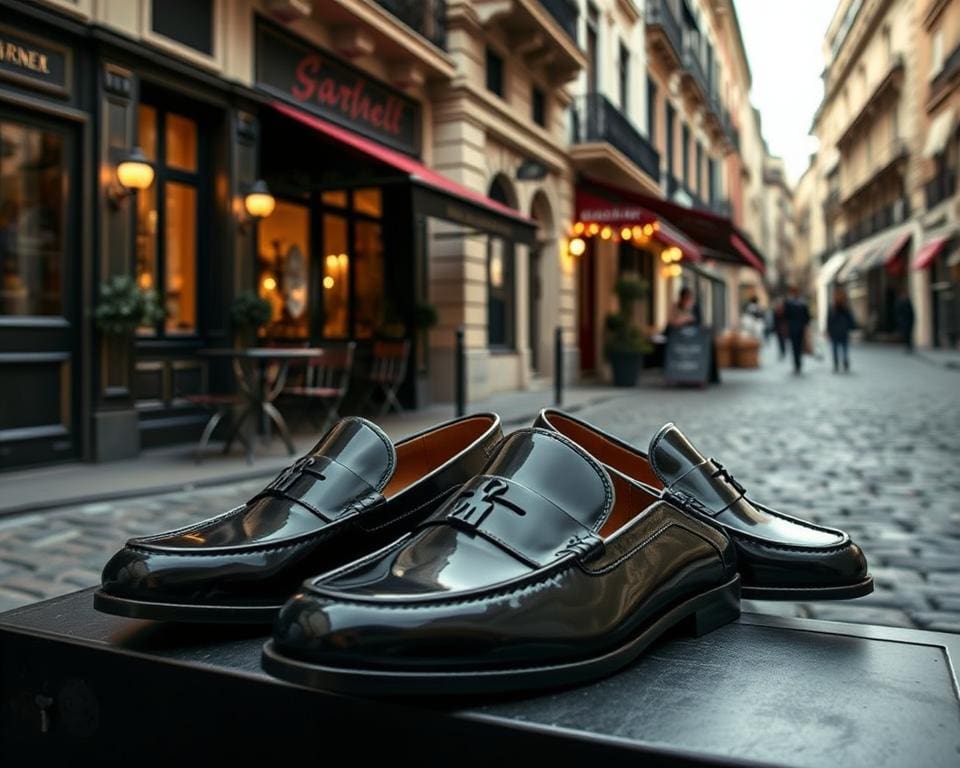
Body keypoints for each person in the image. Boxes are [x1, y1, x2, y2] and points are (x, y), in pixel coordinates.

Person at [826, 287, 856, 373]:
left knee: (836, 348)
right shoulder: (844, 307)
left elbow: (829, 320)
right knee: (844, 347)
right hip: (843, 331)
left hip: (836, 331)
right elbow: (850, 319)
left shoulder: (834, 307)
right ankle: (844, 361)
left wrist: (828, 330)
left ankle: (837, 363)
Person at [783, 285, 810, 374]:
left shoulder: (790, 303)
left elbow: (785, 316)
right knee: (797, 347)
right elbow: (807, 317)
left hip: (794, 328)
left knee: (796, 347)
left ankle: (797, 363)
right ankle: (798, 363)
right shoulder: (801, 304)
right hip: (798, 328)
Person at [895, 288, 915, 353]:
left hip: (908, 322)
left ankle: (909, 347)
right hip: (903, 322)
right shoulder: (899, 302)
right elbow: (897, 313)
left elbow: (912, 313)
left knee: (909, 335)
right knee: (905, 335)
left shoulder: (908, 302)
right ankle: (907, 346)